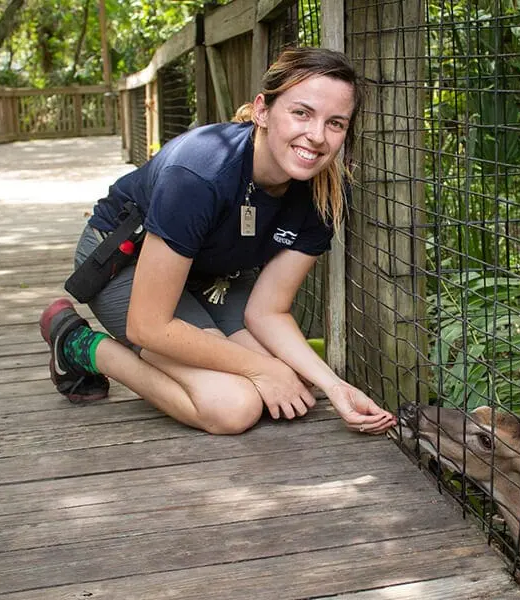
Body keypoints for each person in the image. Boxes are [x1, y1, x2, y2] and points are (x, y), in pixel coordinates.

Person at [39, 47, 396, 436]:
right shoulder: (199, 172)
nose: (316, 136)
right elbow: (148, 325)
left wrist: (336, 387)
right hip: (125, 263)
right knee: (234, 406)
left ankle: (185, 351)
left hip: (211, 273)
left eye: (336, 123)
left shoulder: (326, 194)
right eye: (302, 113)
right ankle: (80, 345)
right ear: (262, 111)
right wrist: (261, 368)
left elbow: (268, 312)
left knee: (296, 382)